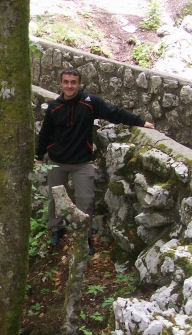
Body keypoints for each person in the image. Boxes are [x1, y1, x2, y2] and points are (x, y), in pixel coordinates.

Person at [36, 67, 154, 255]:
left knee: (86, 201)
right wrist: (39, 157)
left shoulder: (90, 103)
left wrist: (140, 122)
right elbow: (45, 134)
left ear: (79, 83)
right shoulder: (54, 107)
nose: (69, 85)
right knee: (54, 199)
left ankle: (85, 237)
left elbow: (114, 112)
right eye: (66, 82)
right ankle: (57, 230)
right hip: (57, 161)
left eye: (73, 82)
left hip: (82, 162)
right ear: (61, 83)